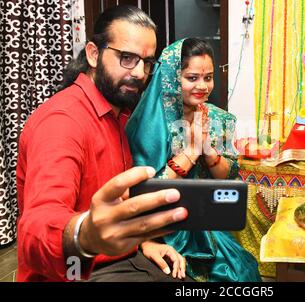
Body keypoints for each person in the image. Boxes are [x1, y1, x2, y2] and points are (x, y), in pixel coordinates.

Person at [16, 5, 192, 282]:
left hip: (122, 257)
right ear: (93, 54)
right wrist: (84, 235)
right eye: (126, 58)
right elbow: (35, 229)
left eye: (146, 63)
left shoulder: (120, 113)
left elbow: (119, 206)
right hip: (74, 270)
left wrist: (144, 241)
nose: (138, 72)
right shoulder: (62, 120)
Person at [125, 38, 262, 282]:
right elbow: (146, 189)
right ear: (171, 78)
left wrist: (207, 150)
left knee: (242, 272)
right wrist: (191, 150)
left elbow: (228, 177)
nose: (202, 86)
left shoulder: (218, 119)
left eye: (208, 77)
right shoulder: (150, 124)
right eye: (192, 78)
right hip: (162, 228)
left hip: (208, 222)